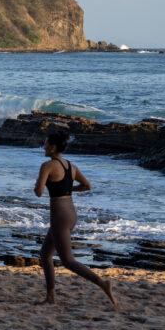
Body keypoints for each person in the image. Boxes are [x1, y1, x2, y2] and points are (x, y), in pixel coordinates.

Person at [34, 129, 118, 309]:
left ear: (53, 147)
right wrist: (67, 190)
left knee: (68, 261)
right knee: (45, 254)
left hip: (59, 216)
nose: (44, 146)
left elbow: (39, 192)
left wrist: (41, 184)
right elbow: (87, 186)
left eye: (46, 143)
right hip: (71, 213)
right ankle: (50, 296)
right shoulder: (71, 166)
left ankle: (103, 283)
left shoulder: (47, 166)